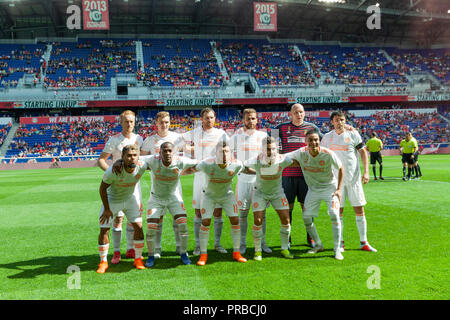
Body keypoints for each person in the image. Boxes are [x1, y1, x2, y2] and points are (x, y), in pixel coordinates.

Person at [321, 111, 377, 253]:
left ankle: (363, 242)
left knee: (359, 209)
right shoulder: (327, 138)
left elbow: (363, 152)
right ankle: (340, 243)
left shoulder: (353, 134)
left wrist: (366, 172)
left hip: (353, 180)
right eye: (336, 120)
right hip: (336, 182)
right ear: (332, 122)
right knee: (338, 212)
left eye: (342, 119)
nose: (339, 122)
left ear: (345, 121)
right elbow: (323, 157)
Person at [287, 129, 345, 261]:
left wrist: (339, 189)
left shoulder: (328, 153)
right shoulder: (301, 153)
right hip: (313, 190)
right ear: (305, 141)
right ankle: (318, 244)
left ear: (319, 141)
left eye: (316, 140)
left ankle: (337, 249)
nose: (313, 142)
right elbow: (285, 156)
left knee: (334, 214)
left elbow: (341, 168)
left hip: (329, 188)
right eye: (310, 140)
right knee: (306, 217)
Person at [97, 110, 143, 264]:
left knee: (134, 220)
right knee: (118, 219)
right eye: (126, 121)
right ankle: (116, 252)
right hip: (117, 185)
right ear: (121, 122)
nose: (129, 124)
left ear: (135, 122)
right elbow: (101, 160)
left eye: (131, 121)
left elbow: (141, 159)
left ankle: (131, 249)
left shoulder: (139, 139)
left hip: (133, 185)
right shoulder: (114, 139)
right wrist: (112, 172)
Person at [141, 142, 197, 267]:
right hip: (156, 198)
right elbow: (133, 158)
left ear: (174, 152)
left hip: (174, 197)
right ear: (159, 153)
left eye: (169, 151)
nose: (167, 153)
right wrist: (119, 162)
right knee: (151, 228)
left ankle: (183, 253)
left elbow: (199, 163)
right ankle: (151, 256)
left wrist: (186, 171)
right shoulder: (152, 160)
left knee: (182, 225)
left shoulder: (180, 161)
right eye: (164, 151)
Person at [182, 107, 230, 256]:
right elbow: (179, 141)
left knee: (217, 211)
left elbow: (228, 150)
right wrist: (190, 150)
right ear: (201, 119)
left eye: (211, 117)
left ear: (215, 118)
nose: (209, 120)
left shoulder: (221, 133)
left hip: (216, 175)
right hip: (200, 174)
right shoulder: (195, 132)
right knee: (198, 212)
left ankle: (217, 244)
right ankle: (197, 246)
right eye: (206, 118)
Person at [191, 141, 247, 266]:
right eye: (221, 152)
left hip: (227, 195)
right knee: (205, 222)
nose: (224, 154)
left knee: (235, 220)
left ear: (231, 153)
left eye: (227, 151)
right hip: (209, 196)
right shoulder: (206, 164)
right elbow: (191, 169)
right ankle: (203, 254)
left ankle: (236, 252)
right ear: (215, 153)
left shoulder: (237, 164)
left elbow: (247, 169)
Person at [274, 103, 321, 248]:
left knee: (307, 207)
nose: (298, 114)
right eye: (295, 112)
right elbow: (270, 143)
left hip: (307, 176)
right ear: (290, 114)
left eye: (301, 112)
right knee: (288, 208)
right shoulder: (280, 128)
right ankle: (287, 238)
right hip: (287, 175)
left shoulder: (312, 128)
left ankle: (311, 238)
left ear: (304, 113)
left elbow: (324, 142)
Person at [96, 144, 148, 273]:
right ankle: (103, 262)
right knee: (104, 229)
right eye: (128, 156)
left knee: (139, 227)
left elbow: (158, 158)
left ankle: (138, 259)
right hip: (112, 200)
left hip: (130, 199)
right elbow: (102, 189)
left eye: (134, 155)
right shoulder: (113, 170)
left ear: (138, 157)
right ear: (123, 157)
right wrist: (107, 209)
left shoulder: (142, 165)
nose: (132, 158)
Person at [141, 111, 186, 258]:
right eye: (161, 122)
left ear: (169, 122)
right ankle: (157, 249)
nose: (164, 125)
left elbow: (187, 155)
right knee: (157, 217)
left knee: (177, 216)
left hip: (174, 183)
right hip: (157, 182)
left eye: (166, 122)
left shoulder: (177, 138)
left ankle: (180, 247)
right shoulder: (150, 140)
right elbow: (141, 159)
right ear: (156, 123)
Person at [243, 136, 293, 261]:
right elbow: (243, 166)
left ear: (277, 149)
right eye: (268, 149)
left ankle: (285, 248)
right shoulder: (256, 160)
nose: (271, 152)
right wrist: (255, 172)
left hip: (277, 193)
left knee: (286, 220)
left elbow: (295, 162)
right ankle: (258, 251)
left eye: (274, 149)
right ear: (263, 150)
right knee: (258, 220)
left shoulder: (283, 159)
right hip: (260, 193)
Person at [229, 108, 270, 255]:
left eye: (253, 118)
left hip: (259, 181)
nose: (251, 121)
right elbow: (226, 154)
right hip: (243, 181)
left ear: (257, 120)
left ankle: (262, 243)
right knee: (243, 214)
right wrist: (240, 167)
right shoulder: (236, 136)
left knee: (261, 215)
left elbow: (268, 157)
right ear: (243, 120)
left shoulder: (263, 135)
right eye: (248, 118)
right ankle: (242, 244)